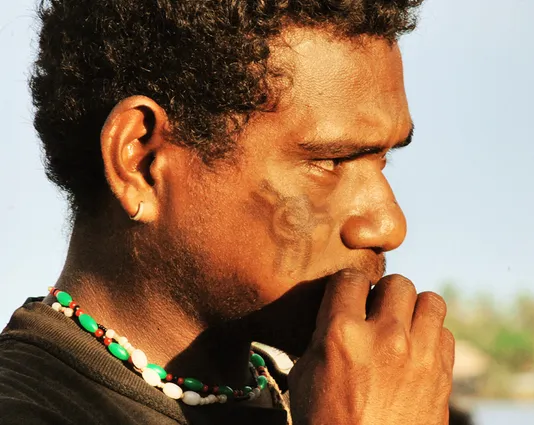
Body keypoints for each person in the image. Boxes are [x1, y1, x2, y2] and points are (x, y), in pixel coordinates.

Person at [0, 1, 464, 424]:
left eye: (382, 159)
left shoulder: (327, 396)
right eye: (330, 161)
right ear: (139, 162)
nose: (389, 225)